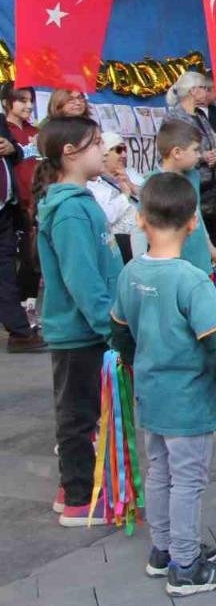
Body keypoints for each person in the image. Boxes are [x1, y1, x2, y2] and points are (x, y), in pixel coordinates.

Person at [110, 173, 216, 596]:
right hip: (187, 402)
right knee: (187, 480)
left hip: (151, 396)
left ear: (139, 219)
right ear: (193, 223)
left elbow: (119, 335)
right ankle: (185, 567)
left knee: (160, 473)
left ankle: (163, 549)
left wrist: (147, 364)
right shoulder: (191, 281)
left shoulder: (130, 272)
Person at [35, 116, 124, 525]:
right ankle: (76, 499)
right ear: (69, 153)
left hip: (91, 330)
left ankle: (73, 487)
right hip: (78, 332)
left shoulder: (85, 201)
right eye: (94, 144)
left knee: (85, 412)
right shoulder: (70, 212)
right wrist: (111, 327)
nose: (103, 151)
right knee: (77, 417)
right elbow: (82, 280)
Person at [153, 122, 216, 277]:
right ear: (177, 152)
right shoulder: (153, 183)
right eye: (195, 150)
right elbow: (141, 230)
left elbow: (197, 214)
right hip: (173, 268)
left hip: (200, 263)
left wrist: (210, 247)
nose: (199, 155)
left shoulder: (193, 175)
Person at [165, 72, 216, 249]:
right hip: (191, 195)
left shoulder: (201, 116)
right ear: (193, 91)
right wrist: (201, 157)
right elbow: (172, 154)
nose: (207, 92)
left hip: (212, 198)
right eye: (204, 88)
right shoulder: (174, 118)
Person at [0, 98, 43, 352]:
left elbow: (16, 153)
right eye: (22, 100)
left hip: (5, 209)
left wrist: (10, 148)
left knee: (5, 273)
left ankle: (20, 332)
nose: (27, 104)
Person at [87, 132, 142, 264]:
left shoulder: (130, 173)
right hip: (119, 249)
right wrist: (125, 196)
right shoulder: (92, 184)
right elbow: (105, 217)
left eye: (125, 149)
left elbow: (154, 200)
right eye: (118, 150)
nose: (124, 155)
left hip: (142, 242)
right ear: (105, 154)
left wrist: (131, 185)